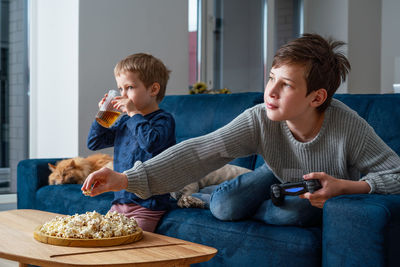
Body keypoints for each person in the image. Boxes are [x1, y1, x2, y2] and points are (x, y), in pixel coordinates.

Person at [82, 34, 400, 226]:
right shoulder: (260, 118)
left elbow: (396, 174)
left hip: (317, 190)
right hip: (273, 174)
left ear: (317, 97)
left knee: (293, 216)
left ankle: (264, 198)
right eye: (271, 78)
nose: (271, 91)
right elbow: (200, 151)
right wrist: (124, 179)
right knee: (223, 206)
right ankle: (247, 191)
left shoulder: (348, 126)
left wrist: (347, 187)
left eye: (285, 85)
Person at [86, 53, 176, 232]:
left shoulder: (164, 120)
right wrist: (103, 116)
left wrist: (134, 113)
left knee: (133, 248)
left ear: (153, 89)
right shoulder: (125, 121)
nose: (123, 95)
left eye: (129, 88)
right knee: (102, 240)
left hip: (148, 205)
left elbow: (150, 142)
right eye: (120, 89)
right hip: (120, 202)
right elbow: (94, 142)